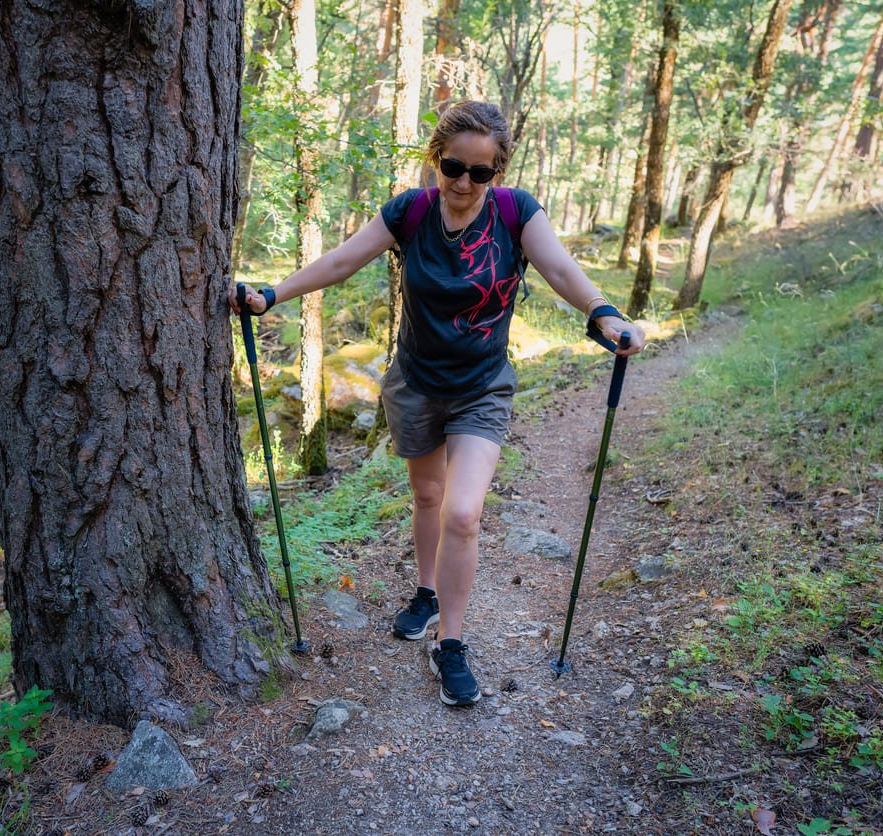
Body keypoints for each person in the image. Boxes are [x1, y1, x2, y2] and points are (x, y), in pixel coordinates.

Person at [231, 100, 644, 707]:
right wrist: (272, 293)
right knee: (427, 495)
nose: (465, 183)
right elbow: (344, 260)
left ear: (497, 172)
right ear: (436, 159)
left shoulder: (515, 212)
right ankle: (425, 593)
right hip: (416, 381)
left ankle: (449, 643)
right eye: (455, 167)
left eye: (482, 172)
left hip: (482, 385)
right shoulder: (411, 211)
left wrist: (603, 313)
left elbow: (558, 267)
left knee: (462, 513)